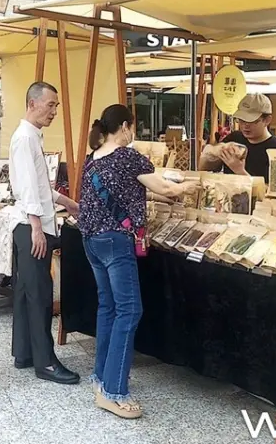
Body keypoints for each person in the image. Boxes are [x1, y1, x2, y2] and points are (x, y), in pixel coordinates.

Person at [79, 104, 198, 419]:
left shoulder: (92, 160)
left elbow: (128, 192)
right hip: (116, 242)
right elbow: (164, 188)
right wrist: (189, 185)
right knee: (129, 310)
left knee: (109, 307)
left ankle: (101, 377)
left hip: (91, 241)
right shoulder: (127, 155)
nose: (133, 133)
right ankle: (114, 392)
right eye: (132, 127)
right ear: (125, 127)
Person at [9, 82, 81, 385]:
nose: (53, 111)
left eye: (56, 106)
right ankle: (46, 363)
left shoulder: (29, 136)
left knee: (27, 293)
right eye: (50, 105)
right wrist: (37, 227)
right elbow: (27, 188)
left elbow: (39, 185)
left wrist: (66, 202)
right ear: (32, 103)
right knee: (38, 296)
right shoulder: (25, 137)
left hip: (29, 223)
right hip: (31, 226)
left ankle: (25, 353)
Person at [199, 93, 276, 183]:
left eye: (251, 121)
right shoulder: (233, 138)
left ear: (267, 120)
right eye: (241, 120)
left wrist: (240, 171)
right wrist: (215, 151)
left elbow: (270, 191)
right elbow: (204, 169)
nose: (245, 125)